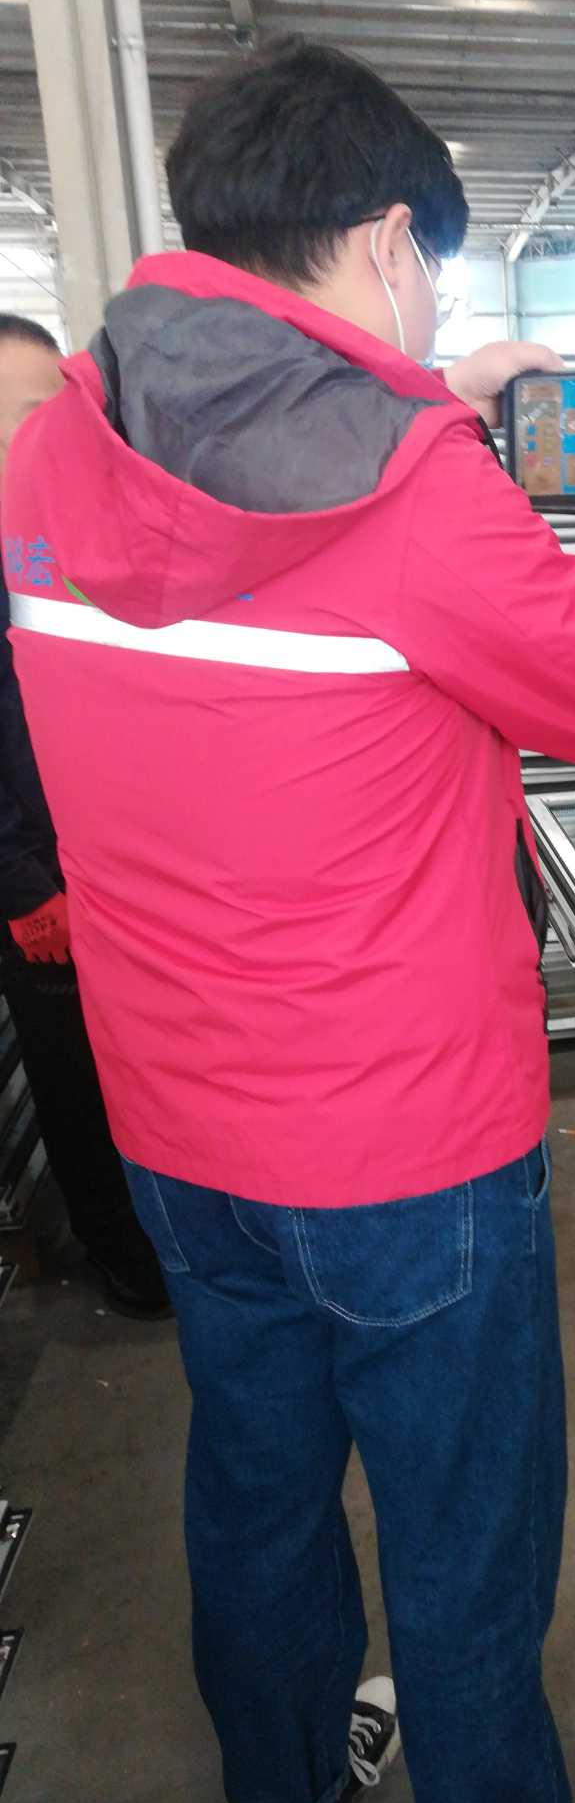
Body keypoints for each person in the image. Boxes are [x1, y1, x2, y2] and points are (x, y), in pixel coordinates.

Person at [1, 41, 575, 1803]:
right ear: (389, 240)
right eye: (433, 276)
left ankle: (285, 1802)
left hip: (177, 1117)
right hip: (407, 1139)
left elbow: (251, 498)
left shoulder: (55, 446)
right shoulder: (419, 491)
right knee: (464, 1529)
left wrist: (424, 395)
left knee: (255, 1481)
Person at [0, 315, 170, 1318]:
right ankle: (129, 1262)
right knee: (76, 1079)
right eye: (26, 416)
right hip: (40, 888)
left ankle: (164, 1236)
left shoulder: (53, 546)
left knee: (139, 1067)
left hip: (111, 860)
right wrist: (23, 886)